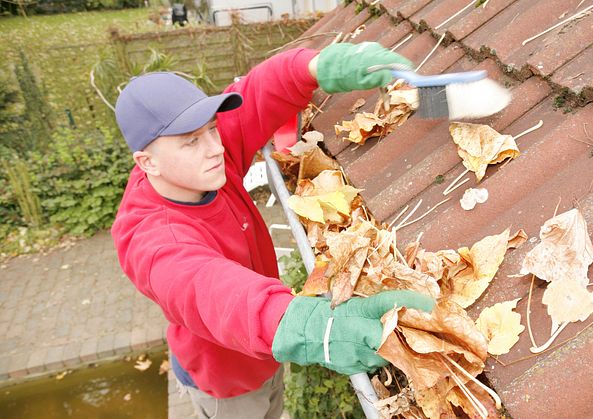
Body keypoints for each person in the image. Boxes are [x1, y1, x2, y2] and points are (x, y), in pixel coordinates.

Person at [111, 43, 435, 418]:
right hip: (227, 385)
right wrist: (312, 327)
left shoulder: (197, 163)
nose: (215, 147)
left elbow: (256, 94)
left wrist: (317, 65)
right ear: (146, 162)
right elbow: (209, 290)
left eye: (212, 130)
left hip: (268, 348)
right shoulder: (149, 239)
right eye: (191, 141)